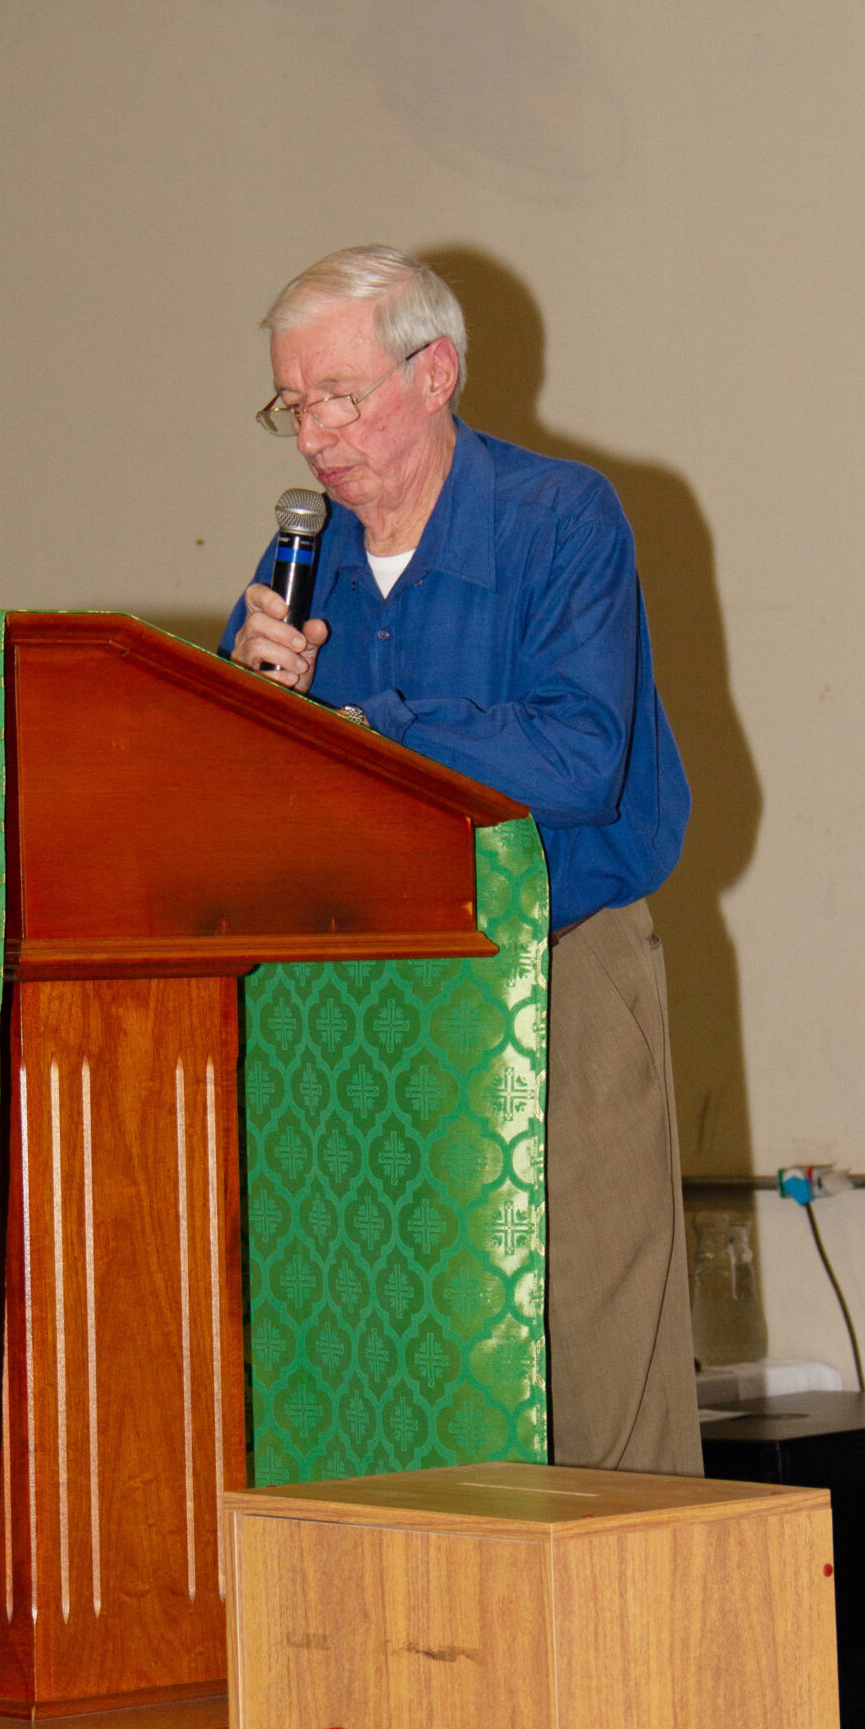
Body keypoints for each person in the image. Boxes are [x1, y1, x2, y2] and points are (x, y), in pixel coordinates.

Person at [222, 246, 700, 1477]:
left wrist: (362, 727)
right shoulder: (295, 571)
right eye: (292, 405)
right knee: (394, 1335)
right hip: (365, 999)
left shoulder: (559, 518)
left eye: (339, 395)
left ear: (434, 374)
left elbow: (580, 759)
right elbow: (243, 806)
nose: (313, 437)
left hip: (555, 972)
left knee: (590, 1343)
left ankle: (621, 1601)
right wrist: (248, 708)